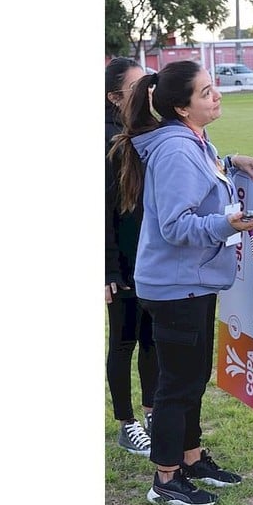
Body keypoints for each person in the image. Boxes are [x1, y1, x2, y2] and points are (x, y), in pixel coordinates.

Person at [110, 60, 253, 505]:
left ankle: (192, 458)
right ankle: (165, 476)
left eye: (213, 88)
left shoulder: (193, 141)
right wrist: (229, 223)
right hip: (176, 285)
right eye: (205, 92)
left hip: (193, 282)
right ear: (182, 107)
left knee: (194, 375)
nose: (216, 95)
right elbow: (178, 225)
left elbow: (208, 172)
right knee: (177, 384)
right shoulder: (176, 149)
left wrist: (230, 162)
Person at [105, 57, 158, 455]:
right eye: (137, 86)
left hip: (153, 258)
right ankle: (127, 422)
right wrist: (105, 268)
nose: (147, 91)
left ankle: (153, 411)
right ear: (113, 97)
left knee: (152, 338)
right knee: (124, 342)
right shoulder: (106, 141)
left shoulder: (151, 131)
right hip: (121, 261)